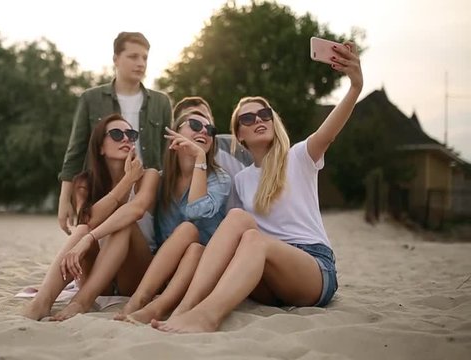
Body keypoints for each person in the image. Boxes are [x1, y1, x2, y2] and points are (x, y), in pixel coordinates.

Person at [152, 41, 363, 333]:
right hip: (265, 274)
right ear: (239, 133)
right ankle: (186, 309)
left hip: (312, 267)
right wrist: (199, 160)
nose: (259, 120)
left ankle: (207, 317)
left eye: (265, 114)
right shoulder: (241, 179)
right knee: (239, 222)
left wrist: (354, 87)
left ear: (273, 121)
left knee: (254, 239)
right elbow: (215, 225)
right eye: (248, 118)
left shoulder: (300, 157)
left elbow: (329, 132)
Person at [23, 114, 160, 321]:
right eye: (116, 134)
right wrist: (126, 182)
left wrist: (132, 180)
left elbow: (136, 210)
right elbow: (88, 221)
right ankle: (42, 302)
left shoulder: (149, 176)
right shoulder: (85, 182)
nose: (126, 139)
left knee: (124, 224)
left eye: (131, 134)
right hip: (96, 275)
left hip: (134, 273)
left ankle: (81, 302)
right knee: (82, 229)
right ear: (100, 147)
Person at [114, 106, 231, 324]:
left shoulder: (220, 179)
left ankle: (146, 305)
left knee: (190, 235)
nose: (204, 131)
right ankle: (140, 301)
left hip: (201, 272)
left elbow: (195, 211)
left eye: (210, 129)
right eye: (196, 125)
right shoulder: (161, 180)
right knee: (128, 224)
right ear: (175, 134)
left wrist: (199, 158)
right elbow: (132, 209)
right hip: (164, 271)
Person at [57, 32, 172, 235]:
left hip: (144, 193)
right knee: (89, 237)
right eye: (133, 56)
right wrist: (64, 199)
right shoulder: (91, 99)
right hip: (102, 189)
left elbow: (167, 155)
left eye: (145, 58)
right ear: (116, 59)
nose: (141, 63)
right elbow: (76, 150)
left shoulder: (161, 102)